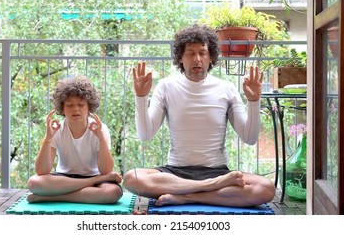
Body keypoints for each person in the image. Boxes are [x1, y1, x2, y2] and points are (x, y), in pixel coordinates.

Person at [123, 24, 275, 207]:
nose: (197, 59)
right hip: (176, 173)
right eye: (190, 53)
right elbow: (145, 135)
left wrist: (254, 101)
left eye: (202, 53)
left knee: (266, 188)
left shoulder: (226, 88)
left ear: (211, 57)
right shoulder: (166, 86)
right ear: (180, 57)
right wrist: (140, 97)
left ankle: (187, 196)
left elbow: (249, 138)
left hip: (217, 171)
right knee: (132, 178)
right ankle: (208, 188)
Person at [26, 75, 123, 203]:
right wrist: (48, 137)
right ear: (62, 108)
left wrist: (101, 138)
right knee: (34, 182)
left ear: (89, 107)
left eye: (81, 105)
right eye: (69, 105)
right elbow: (42, 170)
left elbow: (105, 170)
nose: (75, 109)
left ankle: (54, 197)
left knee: (113, 192)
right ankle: (90, 185)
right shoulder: (57, 129)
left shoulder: (100, 128)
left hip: (93, 176)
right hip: (65, 179)